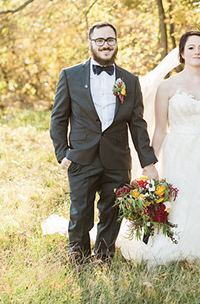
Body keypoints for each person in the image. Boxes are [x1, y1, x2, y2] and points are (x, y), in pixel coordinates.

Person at [49, 21, 158, 265]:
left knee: (112, 211)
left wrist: (148, 161)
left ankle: (104, 258)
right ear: (90, 44)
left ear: (117, 43)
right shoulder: (70, 75)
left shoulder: (130, 80)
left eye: (110, 40)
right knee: (80, 212)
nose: (105, 45)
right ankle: (78, 258)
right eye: (100, 40)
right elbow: (58, 118)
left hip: (117, 158)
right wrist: (62, 153)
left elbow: (137, 124)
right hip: (81, 157)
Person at [117, 31, 200, 266]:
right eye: (192, 48)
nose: (197, 52)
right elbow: (160, 130)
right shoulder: (167, 87)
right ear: (182, 53)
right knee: (178, 197)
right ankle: (173, 245)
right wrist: (150, 165)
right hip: (176, 150)